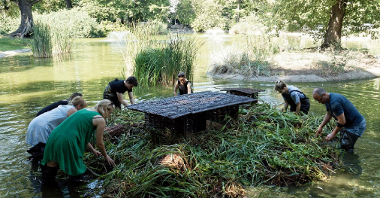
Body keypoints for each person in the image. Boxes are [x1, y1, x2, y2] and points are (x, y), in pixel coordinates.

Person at [40, 99, 116, 184]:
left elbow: (80, 135)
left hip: (54, 136)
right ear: (105, 109)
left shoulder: (84, 110)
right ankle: (74, 190)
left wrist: (93, 150)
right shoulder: (100, 119)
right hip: (67, 141)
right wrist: (106, 156)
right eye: (110, 113)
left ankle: (47, 189)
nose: (109, 115)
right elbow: (99, 143)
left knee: (52, 163)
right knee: (76, 172)